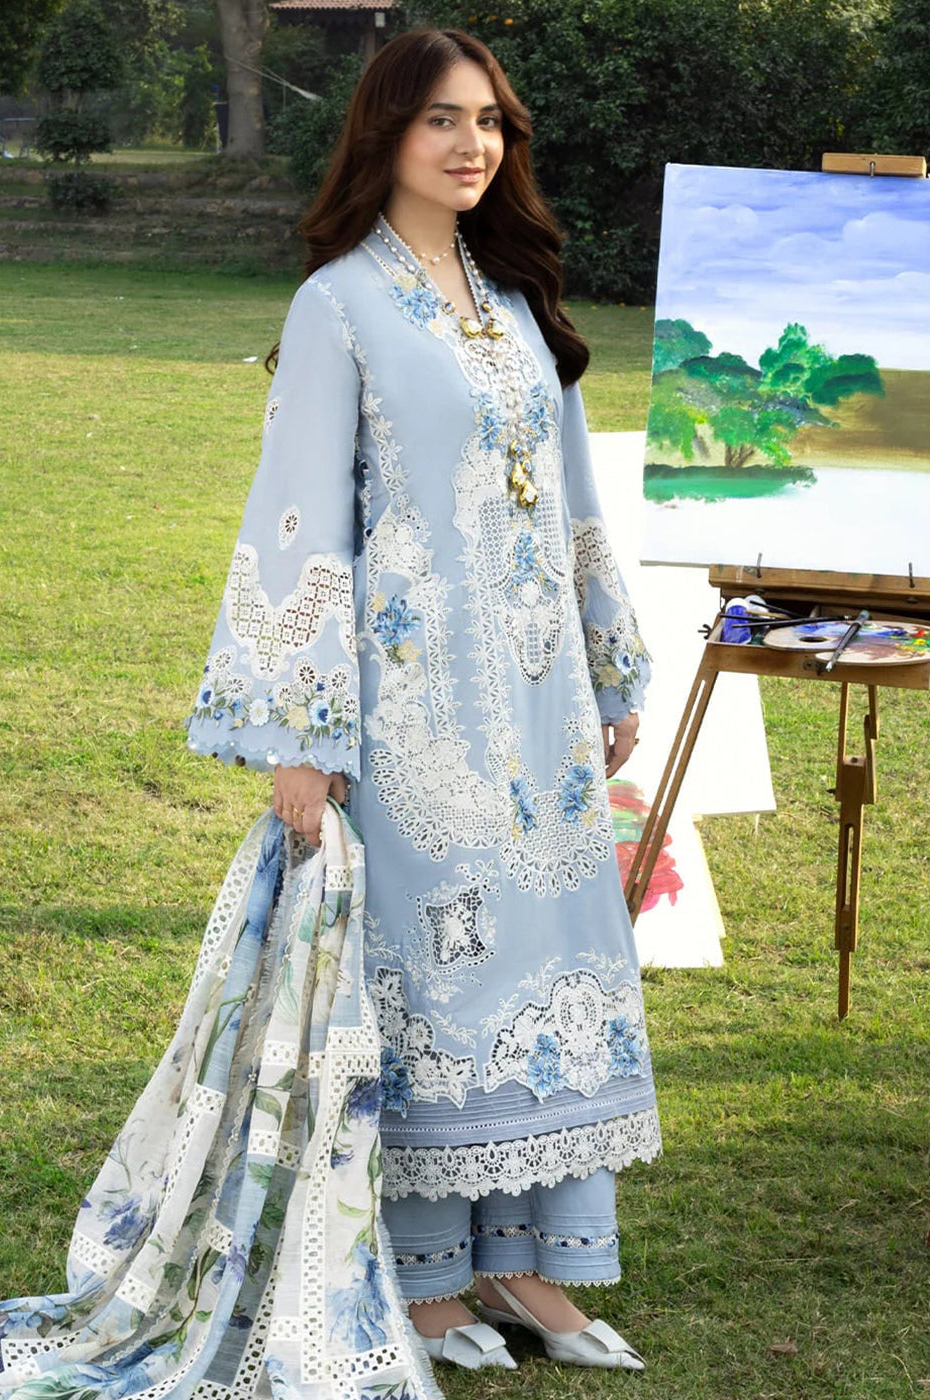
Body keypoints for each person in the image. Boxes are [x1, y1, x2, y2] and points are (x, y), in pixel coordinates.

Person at [186, 26, 660, 1374]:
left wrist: (608, 663)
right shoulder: (337, 306)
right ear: (386, 132)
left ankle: (527, 1268)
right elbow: (297, 519)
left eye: (490, 122)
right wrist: (298, 736)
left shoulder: (513, 302)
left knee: (549, 963)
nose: (472, 144)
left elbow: (570, 496)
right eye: (443, 119)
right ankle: (430, 1279)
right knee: (432, 978)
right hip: (408, 716)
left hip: (540, 712)